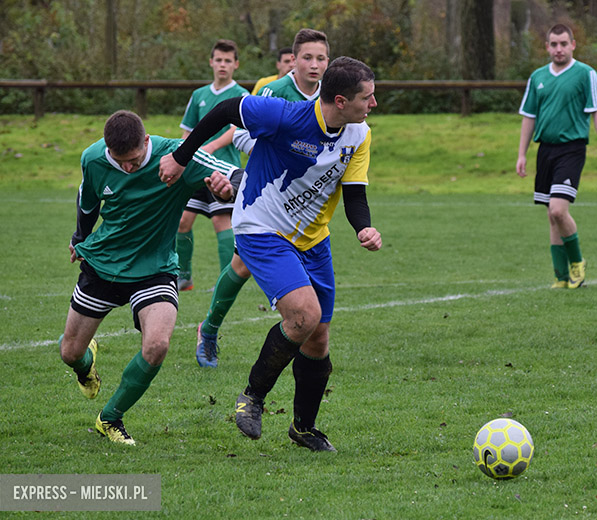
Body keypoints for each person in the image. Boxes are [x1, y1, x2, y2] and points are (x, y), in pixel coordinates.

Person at [159, 56, 381, 452]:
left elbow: (355, 194)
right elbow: (226, 110)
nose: (374, 104)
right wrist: (181, 156)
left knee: (318, 338)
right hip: (261, 228)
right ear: (342, 100)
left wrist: (363, 226)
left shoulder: (359, 134)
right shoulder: (285, 115)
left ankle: (303, 428)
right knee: (304, 315)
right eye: (368, 97)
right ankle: (252, 397)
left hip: (313, 238)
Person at [59, 110, 239, 445]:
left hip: (155, 267)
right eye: (120, 160)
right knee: (70, 353)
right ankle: (86, 365)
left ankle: (110, 418)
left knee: (157, 345)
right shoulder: (94, 158)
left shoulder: (178, 155)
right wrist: (79, 239)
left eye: (134, 159)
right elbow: (87, 203)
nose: (128, 167)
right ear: (107, 148)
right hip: (104, 264)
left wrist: (223, 191)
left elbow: (230, 180)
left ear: (146, 141)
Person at [194, 28, 330, 369]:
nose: (314, 65)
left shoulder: (331, 96)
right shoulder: (274, 90)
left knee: (292, 271)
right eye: (307, 58)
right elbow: (240, 135)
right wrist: (281, 150)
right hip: (264, 197)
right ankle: (208, 330)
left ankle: (310, 339)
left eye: (321, 58)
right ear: (292, 61)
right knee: (241, 266)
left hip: (305, 203)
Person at [516, 23, 597, 289]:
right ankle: (560, 277)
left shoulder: (585, 74)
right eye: (554, 44)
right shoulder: (537, 77)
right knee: (551, 214)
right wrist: (521, 154)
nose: (559, 49)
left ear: (573, 44)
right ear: (547, 47)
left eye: (563, 44)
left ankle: (577, 263)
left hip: (571, 149)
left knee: (559, 210)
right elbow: (529, 117)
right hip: (545, 150)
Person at [176, 39, 249, 292]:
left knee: (221, 223)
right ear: (211, 62)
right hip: (196, 169)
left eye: (228, 61)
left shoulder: (242, 95)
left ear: (236, 65)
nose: (222, 65)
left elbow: (238, 130)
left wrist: (211, 147)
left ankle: (226, 280)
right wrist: (183, 158)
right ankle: (183, 277)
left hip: (224, 169)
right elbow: (187, 132)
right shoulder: (199, 95)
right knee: (182, 221)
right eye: (218, 60)